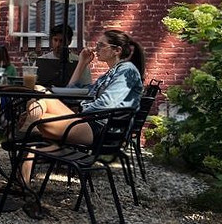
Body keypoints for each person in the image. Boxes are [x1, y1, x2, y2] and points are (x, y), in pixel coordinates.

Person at [18, 29, 145, 187]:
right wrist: (82, 63)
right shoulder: (110, 73)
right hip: (89, 122)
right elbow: (71, 91)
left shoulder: (127, 71)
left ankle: (22, 176)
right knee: (39, 91)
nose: (96, 49)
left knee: (35, 120)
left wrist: (80, 111)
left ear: (117, 50)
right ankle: (23, 178)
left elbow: (106, 104)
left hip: (100, 128)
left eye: (101, 45)